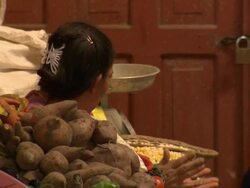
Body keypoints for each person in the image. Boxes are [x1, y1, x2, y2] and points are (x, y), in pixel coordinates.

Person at [1, 22, 219, 187]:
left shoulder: (25, 107)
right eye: (110, 76)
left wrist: (154, 174)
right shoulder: (57, 142)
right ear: (97, 82)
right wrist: (160, 181)